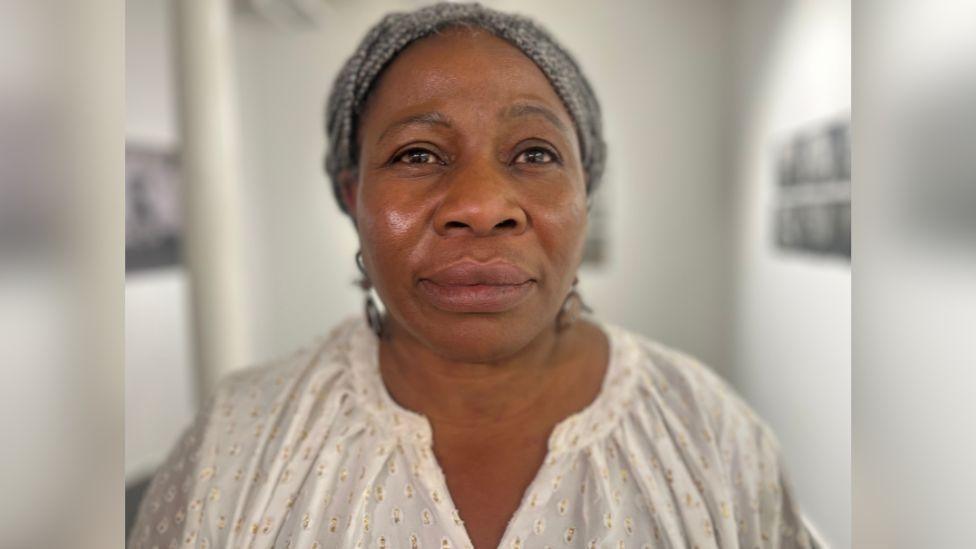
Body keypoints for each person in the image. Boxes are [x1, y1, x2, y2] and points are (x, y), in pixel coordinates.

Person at [130, 3, 815, 548]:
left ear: (586, 193)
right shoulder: (238, 440)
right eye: (419, 153)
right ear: (352, 195)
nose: (482, 207)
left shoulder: (711, 437)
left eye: (536, 152)